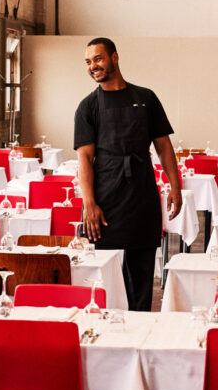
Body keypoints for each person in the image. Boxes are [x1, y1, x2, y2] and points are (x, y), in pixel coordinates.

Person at [74, 37, 182, 311]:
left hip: (141, 194)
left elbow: (163, 147)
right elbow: (85, 158)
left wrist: (175, 187)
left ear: (114, 57)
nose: (93, 66)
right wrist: (89, 204)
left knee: (141, 275)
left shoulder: (146, 98)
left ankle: (139, 329)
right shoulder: (87, 107)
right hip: (104, 196)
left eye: (98, 59)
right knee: (97, 275)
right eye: (88, 62)